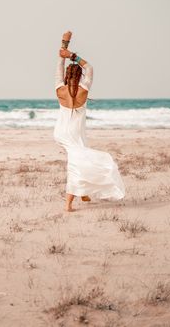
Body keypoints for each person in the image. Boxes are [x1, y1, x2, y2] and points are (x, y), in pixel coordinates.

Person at [54, 31, 126, 212]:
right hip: (75, 132)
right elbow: (90, 68)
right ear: (79, 77)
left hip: (61, 131)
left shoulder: (59, 89)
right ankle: (68, 205)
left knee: (80, 157)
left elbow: (59, 64)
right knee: (76, 164)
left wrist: (64, 47)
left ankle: (83, 192)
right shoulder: (83, 90)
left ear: (65, 76)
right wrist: (74, 56)